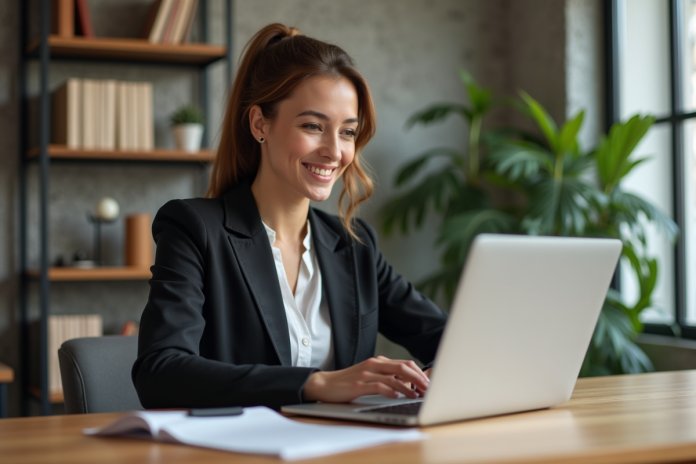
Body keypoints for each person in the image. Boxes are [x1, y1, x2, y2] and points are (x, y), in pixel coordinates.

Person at [132, 23, 448, 410]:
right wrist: (314, 383)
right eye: (313, 126)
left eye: (348, 132)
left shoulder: (354, 244)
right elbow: (160, 373)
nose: (334, 151)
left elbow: (450, 338)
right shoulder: (194, 229)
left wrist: (442, 374)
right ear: (260, 124)